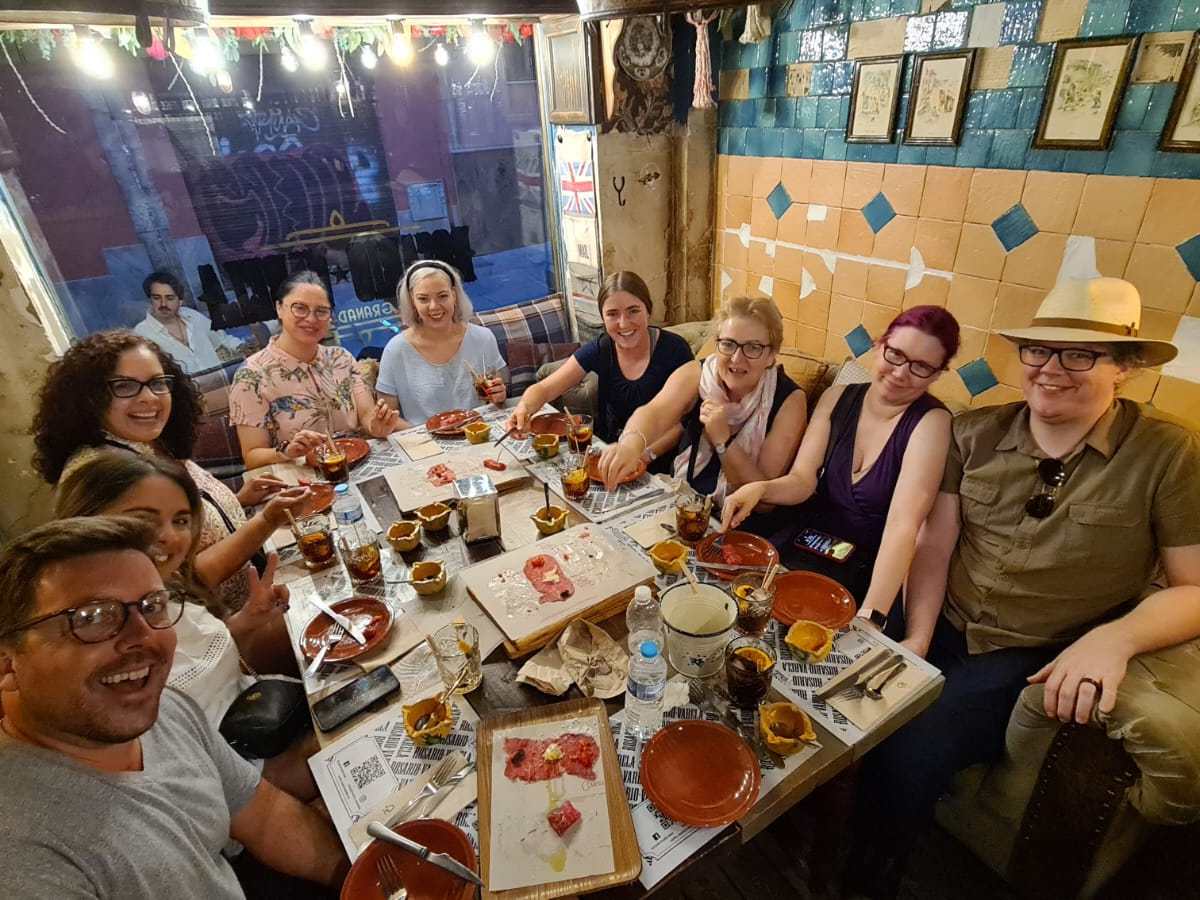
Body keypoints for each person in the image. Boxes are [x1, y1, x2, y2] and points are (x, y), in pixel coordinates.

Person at [854, 277, 1200, 893]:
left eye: (1080, 355)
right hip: (945, 620)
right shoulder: (975, 432)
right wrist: (919, 634)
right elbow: (937, 542)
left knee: (910, 745)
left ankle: (869, 877)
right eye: (1038, 351)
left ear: (1123, 367)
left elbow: (1193, 589)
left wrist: (1114, 642)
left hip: (1033, 651)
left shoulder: (1167, 454)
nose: (1051, 370)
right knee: (848, 702)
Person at [0, 516, 347, 897]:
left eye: (152, 606)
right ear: (6, 664)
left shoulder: (167, 710)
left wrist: (365, 878)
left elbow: (263, 815)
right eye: (93, 617)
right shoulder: (23, 860)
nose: (144, 637)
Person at [53, 451, 317, 801]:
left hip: (270, 711)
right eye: (143, 520)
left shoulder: (167, 587)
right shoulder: (96, 639)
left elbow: (201, 662)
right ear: (86, 523)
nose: (169, 537)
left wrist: (246, 620)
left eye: (180, 520)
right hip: (241, 779)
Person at [32, 330, 310, 618]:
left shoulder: (148, 441)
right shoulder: (101, 473)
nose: (149, 398)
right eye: (126, 386)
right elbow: (175, 583)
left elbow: (184, 527)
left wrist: (239, 500)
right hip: (221, 631)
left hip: (259, 599)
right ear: (91, 396)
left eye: (157, 383)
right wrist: (266, 520)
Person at [721, 306, 958, 630]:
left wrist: (872, 615)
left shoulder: (931, 422)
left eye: (921, 367)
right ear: (879, 346)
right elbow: (803, 480)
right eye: (895, 355)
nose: (901, 372)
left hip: (866, 570)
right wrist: (762, 488)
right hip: (806, 542)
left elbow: (903, 525)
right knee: (740, 606)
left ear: (937, 374)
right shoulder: (836, 397)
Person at [596, 295, 808, 503]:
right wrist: (629, 446)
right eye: (728, 344)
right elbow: (655, 412)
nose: (736, 358)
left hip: (743, 524)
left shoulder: (790, 401)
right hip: (684, 499)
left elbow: (764, 504)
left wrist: (723, 441)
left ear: (772, 355)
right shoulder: (699, 373)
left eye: (753, 347)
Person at [508, 270, 693, 473]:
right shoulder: (601, 348)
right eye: (612, 314)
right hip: (606, 457)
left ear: (648, 311)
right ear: (603, 318)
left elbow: (685, 421)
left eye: (633, 311)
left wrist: (645, 455)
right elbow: (544, 388)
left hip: (661, 463)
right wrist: (523, 409)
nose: (623, 323)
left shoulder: (675, 350)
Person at [230, 271, 401, 467]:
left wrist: (377, 426)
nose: (311, 319)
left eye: (321, 311)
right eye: (300, 308)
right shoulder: (251, 376)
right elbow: (252, 456)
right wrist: (286, 452)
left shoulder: (341, 358)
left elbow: (366, 415)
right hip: (301, 479)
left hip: (356, 464)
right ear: (279, 308)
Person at [376, 260, 507, 429]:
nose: (434, 307)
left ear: (454, 295)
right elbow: (387, 420)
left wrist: (499, 395)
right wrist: (428, 437)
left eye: (442, 296)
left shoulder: (483, 338)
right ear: (412, 302)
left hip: (480, 434)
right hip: (426, 444)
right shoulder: (395, 350)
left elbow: (497, 399)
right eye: (423, 299)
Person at [133, 270, 244, 374]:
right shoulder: (141, 334)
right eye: (157, 298)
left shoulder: (193, 316)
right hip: (183, 393)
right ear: (150, 300)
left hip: (220, 385)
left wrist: (247, 349)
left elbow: (223, 340)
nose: (163, 304)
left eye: (170, 298)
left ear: (180, 301)